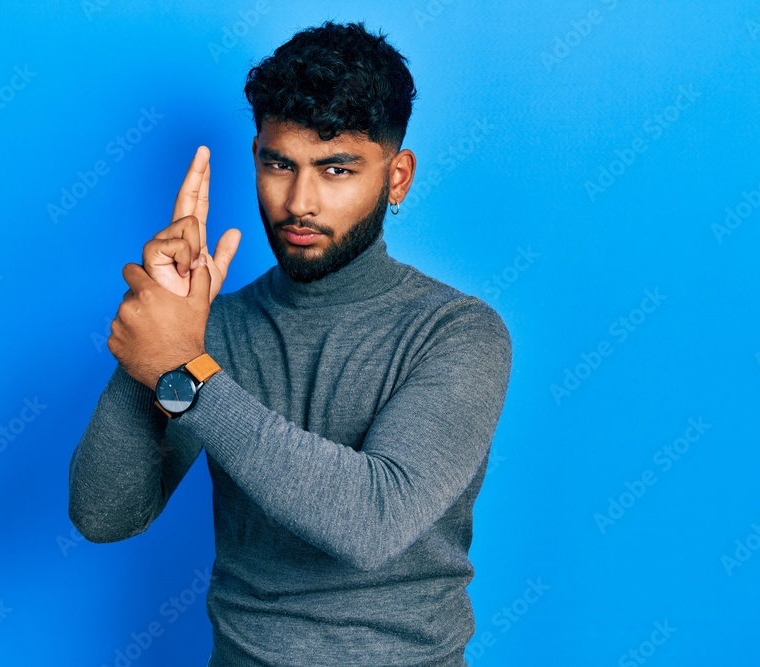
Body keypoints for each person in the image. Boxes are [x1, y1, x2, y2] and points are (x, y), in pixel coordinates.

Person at [68, 20, 512, 667]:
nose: (298, 202)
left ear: (397, 176)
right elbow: (104, 514)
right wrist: (153, 338)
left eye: (336, 169)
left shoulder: (458, 331)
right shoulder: (211, 330)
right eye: (280, 164)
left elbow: (371, 521)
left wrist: (180, 370)